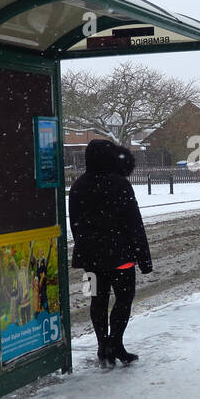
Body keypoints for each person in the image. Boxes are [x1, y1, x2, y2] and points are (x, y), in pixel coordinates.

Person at [68, 139, 152, 367]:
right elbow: (134, 223)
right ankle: (116, 343)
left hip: (90, 261)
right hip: (121, 258)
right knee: (124, 298)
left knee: (97, 299)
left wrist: (86, 248)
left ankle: (102, 345)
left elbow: (75, 224)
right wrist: (144, 259)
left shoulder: (78, 186)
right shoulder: (120, 184)